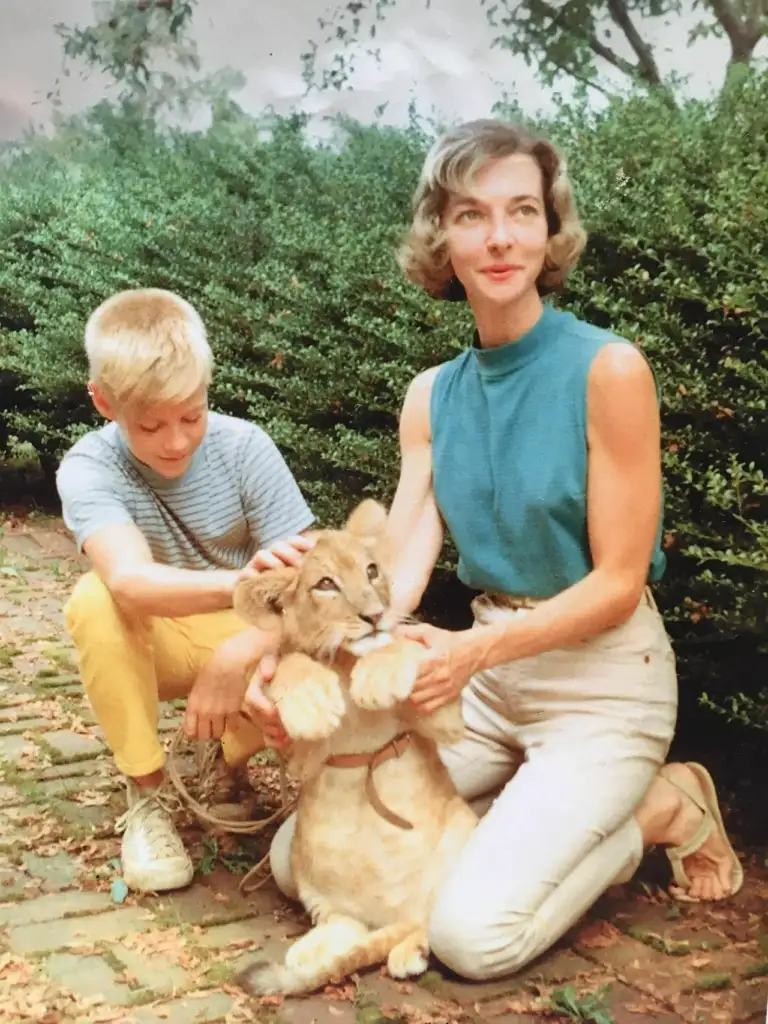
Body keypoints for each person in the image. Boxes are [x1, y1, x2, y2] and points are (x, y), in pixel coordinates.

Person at [250, 120, 744, 982]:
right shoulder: (430, 397)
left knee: (472, 939)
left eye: (523, 211)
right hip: (483, 684)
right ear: (441, 235)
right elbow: (395, 577)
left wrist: (475, 651)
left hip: (602, 682)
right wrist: (295, 647)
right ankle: (532, 819)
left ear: (551, 230)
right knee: (298, 859)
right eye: (473, 215)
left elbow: (620, 581)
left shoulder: (609, 370)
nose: (501, 236)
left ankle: (664, 806)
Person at [57, 287, 315, 894]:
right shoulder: (89, 467)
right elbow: (130, 582)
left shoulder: (245, 447)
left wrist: (238, 655)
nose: (175, 441)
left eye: (191, 416)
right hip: (159, 639)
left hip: (248, 637)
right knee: (94, 600)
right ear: (103, 402)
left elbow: (313, 590)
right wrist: (246, 584)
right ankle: (147, 796)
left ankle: (229, 758)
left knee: (321, 649)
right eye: (150, 425)